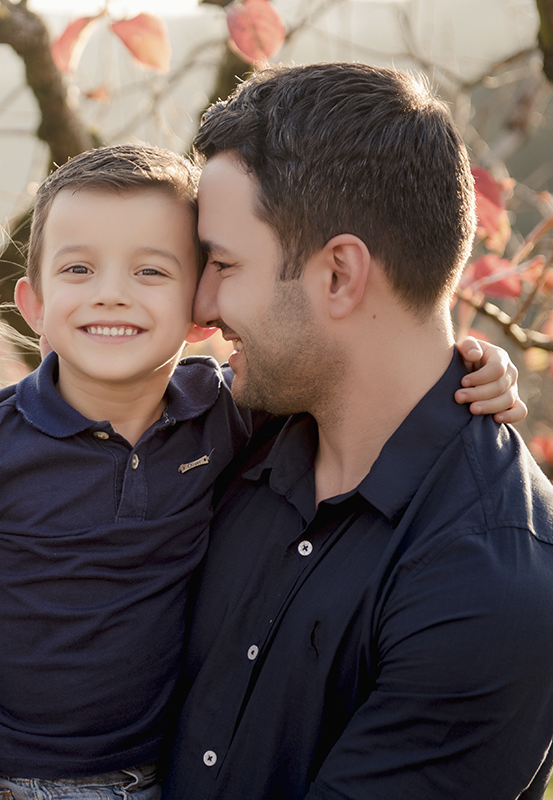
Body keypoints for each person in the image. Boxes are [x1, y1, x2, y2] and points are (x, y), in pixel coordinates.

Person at [0, 142, 525, 800]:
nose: (111, 295)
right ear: (34, 304)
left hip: (158, 771)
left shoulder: (222, 414)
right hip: (24, 775)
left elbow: (366, 380)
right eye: (78, 269)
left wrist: (471, 365)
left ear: (196, 308)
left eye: (150, 272)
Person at [164, 62, 553, 799]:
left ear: (340, 274)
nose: (200, 305)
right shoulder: (224, 433)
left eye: (223, 264)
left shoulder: (492, 584)